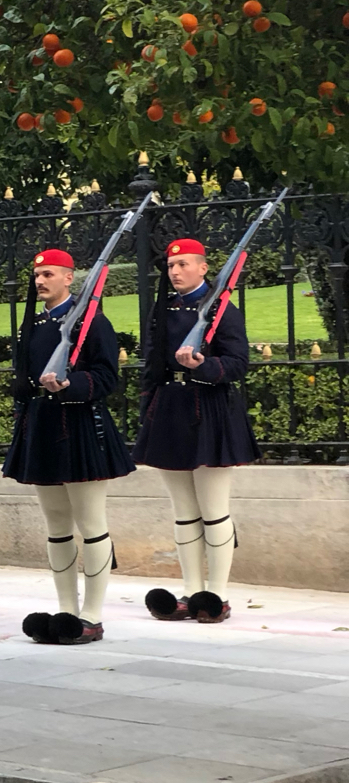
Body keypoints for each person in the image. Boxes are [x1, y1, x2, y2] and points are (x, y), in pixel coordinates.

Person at [2, 247, 135, 646]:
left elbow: (106, 377)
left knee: (91, 525)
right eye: (37, 274)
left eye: (48, 274)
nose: (40, 281)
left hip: (79, 427)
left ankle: (91, 615)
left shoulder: (91, 322)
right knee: (57, 528)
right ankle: (66, 610)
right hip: (42, 428)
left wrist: (70, 386)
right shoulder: (35, 324)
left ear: (68, 278)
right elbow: (25, 377)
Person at [134, 236, 258, 623]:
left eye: (184, 265)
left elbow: (238, 363)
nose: (175, 272)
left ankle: (216, 595)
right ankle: (191, 591)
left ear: (203, 268)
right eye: (171, 266)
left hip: (209, 409)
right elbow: (152, 360)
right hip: (171, 408)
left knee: (214, 510)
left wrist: (202, 367)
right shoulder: (164, 307)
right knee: (184, 512)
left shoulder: (222, 309)